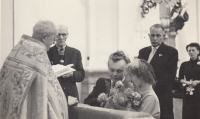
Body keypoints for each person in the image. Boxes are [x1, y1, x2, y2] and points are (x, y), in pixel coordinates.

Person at [0, 20, 74, 119]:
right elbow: (51, 91)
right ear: (44, 37)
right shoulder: (39, 53)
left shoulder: (19, 47)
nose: (53, 43)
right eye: (53, 39)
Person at [138, 24, 178, 119]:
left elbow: (171, 75)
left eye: (158, 35)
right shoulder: (143, 52)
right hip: (144, 95)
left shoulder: (171, 52)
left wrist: (152, 86)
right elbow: (138, 71)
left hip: (162, 95)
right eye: (152, 35)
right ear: (149, 36)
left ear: (163, 36)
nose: (155, 38)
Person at [48, 25, 85, 101]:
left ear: (67, 35)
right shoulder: (47, 52)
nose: (61, 37)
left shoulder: (75, 53)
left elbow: (81, 75)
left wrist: (71, 74)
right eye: (58, 34)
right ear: (54, 35)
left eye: (64, 34)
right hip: (54, 95)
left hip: (71, 95)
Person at [178, 43, 200, 119]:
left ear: (198, 51)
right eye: (189, 50)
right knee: (188, 113)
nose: (191, 52)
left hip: (199, 92)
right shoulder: (184, 64)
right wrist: (188, 83)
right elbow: (179, 79)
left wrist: (197, 82)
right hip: (188, 92)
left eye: (193, 50)